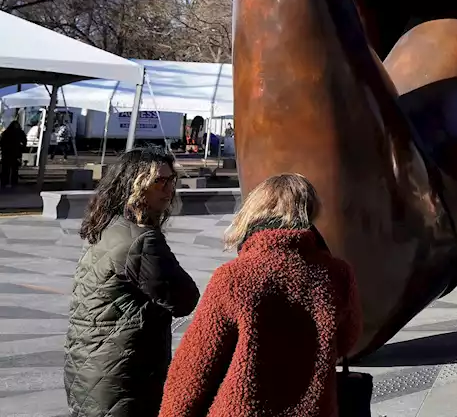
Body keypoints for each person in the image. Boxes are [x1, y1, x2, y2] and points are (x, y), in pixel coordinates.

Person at [159, 173, 362, 417]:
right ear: (309, 212)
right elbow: (348, 340)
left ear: (254, 212)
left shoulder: (233, 277)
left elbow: (195, 366)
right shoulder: (337, 274)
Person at [64, 147, 200, 417]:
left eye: (171, 180)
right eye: (158, 181)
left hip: (88, 365)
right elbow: (185, 299)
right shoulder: (140, 239)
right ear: (134, 185)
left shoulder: (105, 226)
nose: (168, 189)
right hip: (122, 374)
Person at [0, 119, 24, 188]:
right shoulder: (20, 132)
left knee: (6, 168)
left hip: (7, 153)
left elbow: (1, 142)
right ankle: (13, 182)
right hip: (15, 153)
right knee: (14, 169)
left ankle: (5, 182)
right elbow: (24, 141)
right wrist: (21, 148)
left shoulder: (6, 133)